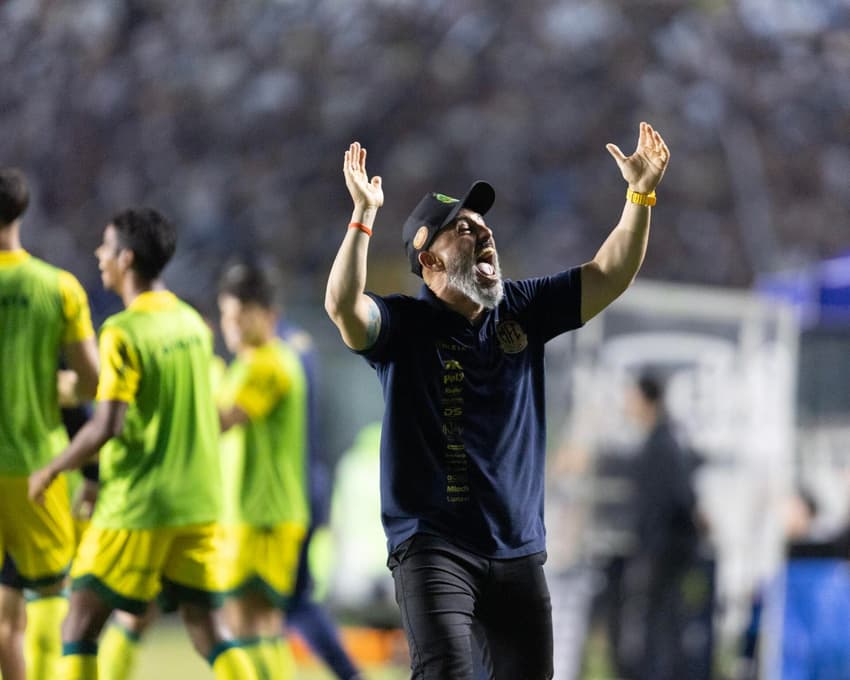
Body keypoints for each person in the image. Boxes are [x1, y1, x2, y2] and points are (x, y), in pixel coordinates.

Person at [324, 123, 670, 679]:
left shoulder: (521, 308)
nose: (484, 235)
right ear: (429, 261)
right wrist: (363, 218)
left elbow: (610, 272)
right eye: (463, 229)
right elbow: (343, 308)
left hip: (517, 549)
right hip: (435, 549)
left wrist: (640, 198)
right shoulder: (404, 324)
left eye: (484, 227)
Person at [28, 207, 260, 680]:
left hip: (140, 502)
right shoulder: (193, 325)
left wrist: (53, 468)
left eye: (105, 247)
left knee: (79, 625)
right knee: (208, 628)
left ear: (126, 258)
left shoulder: (122, 331)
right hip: (199, 501)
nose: (98, 255)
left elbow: (108, 425)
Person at [0, 168, 100, 680]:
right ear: (21, 211)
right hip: (38, 468)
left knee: (3, 620)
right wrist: (57, 385)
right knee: (53, 598)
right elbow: (91, 381)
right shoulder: (58, 287)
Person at [216, 261, 312, 679]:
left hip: (262, 515)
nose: (230, 326)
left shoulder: (267, 364)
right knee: (262, 626)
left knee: (236, 623)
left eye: (239, 316)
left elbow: (221, 420)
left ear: (267, 315)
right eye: (225, 316)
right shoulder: (253, 362)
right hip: (259, 513)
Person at [613, 371, 702, 680]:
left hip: (664, 551)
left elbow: (680, 498)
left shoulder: (663, 443)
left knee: (660, 626)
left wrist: (654, 543)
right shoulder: (661, 439)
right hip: (661, 548)